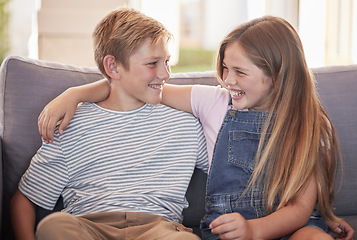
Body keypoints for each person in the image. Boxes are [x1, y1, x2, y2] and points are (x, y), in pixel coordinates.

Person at [37, 16, 355, 240]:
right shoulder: (214, 103)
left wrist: (321, 215)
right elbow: (140, 88)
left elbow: (300, 206)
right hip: (231, 229)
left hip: (284, 227)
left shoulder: (310, 126)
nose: (228, 80)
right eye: (225, 69)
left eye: (240, 72)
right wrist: (74, 94)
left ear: (279, 75)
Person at [10, 8, 208, 240]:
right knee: (54, 226)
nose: (165, 74)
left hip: (159, 229)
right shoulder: (71, 125)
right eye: (152, 63)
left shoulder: (184, 122)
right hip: (89, 227)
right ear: (113, 67)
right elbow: (24, 199)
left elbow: (229, 170)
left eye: (166, 61)